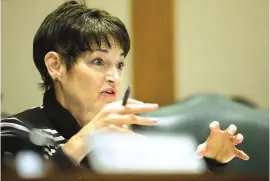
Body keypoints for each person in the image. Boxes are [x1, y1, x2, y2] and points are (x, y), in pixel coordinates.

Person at [1, 0, 249, 173]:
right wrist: (87, 137)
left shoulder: (124, 143)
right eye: (98, 61)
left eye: (119, 65)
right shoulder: (16, 132)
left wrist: (211, 163)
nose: (114, 77)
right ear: (55, 65)